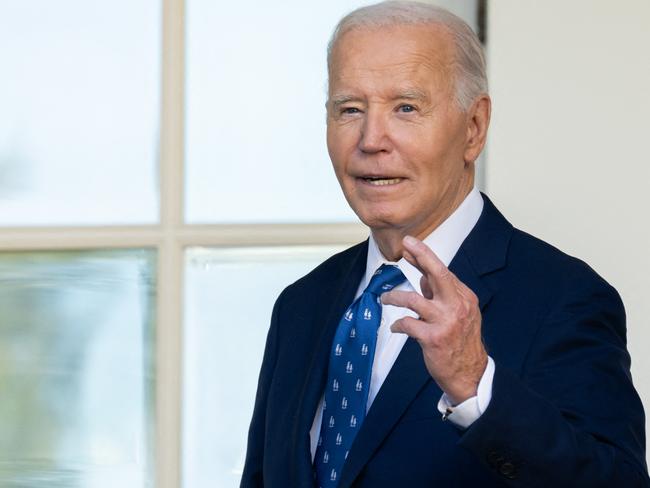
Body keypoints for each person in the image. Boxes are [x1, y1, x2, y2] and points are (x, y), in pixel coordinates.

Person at [241, 2, 649, 486]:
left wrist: (476, 386)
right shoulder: (300, 305)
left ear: (473, 129)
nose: (371, 139)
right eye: (350, 109)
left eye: (406, 108)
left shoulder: (564, 298)